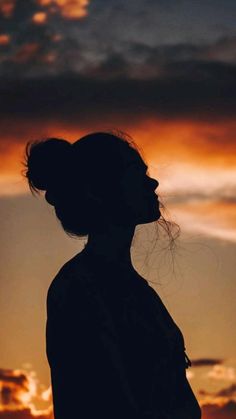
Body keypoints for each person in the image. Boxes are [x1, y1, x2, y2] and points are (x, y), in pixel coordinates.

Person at [23, 131, 201, 419]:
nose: (152, 182)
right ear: (100, 190)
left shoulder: (130, 287)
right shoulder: (79, 289)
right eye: (137, 173)